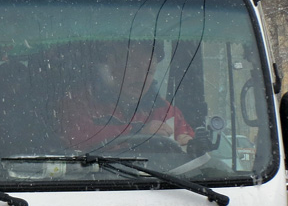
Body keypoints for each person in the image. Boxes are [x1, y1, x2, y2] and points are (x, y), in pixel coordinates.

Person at [57, 42, 194, 151]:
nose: (142, 78)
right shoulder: (81, 101)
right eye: (134, 67)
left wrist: (186, 143)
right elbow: (76, 140)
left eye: (150, 71)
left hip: (154, 183)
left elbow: (188, 139)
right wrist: (137, 134)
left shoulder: (164, 110)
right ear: (112, 64)